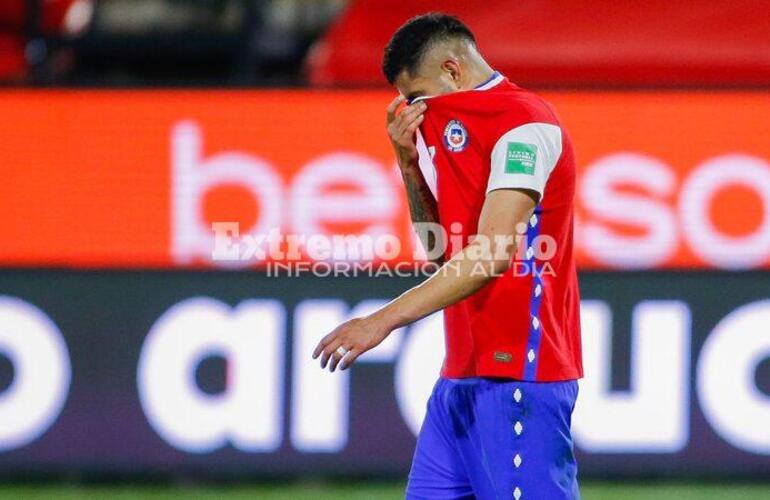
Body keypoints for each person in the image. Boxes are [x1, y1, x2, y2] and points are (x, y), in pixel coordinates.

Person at [313, 12, 582, 499]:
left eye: (417, 97)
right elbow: (443, 254)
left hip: (519, 375)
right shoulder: (455, 131)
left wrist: (380, 321)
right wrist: (408, 164)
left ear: (453, 71)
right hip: (458, 377)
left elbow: (490, 256)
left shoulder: (525, 125)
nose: (414, 111)